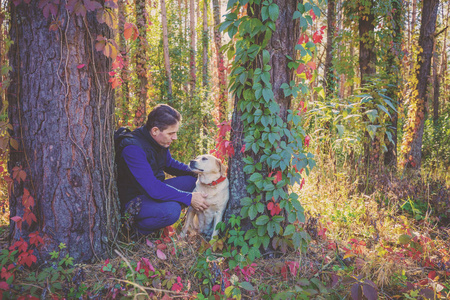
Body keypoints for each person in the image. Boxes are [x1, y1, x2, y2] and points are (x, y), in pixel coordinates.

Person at [116, 104, 209, 235]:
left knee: (194, 181)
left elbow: (169, 164)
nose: (175, 137)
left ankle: (157, 218)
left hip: (151, 193)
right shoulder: (132, 148)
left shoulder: (159, 141)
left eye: (175, 133)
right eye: (171, 133)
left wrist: (197, 172)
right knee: (172, 210)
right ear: (155, 131)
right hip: (134, 202)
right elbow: (152, 188)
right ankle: (134, 232)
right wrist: (188, 198)